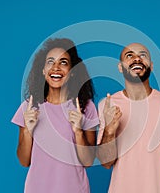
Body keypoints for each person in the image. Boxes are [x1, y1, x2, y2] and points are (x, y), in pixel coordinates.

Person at [96, 43, 160, 193]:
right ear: (120, 67)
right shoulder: (107, 105)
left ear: (151, 66)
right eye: (129, 56)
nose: (137, 59)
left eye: (142, 55)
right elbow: (106, 163)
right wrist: (109, 130)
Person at [11, 38, 99, 193]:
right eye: (50, 62)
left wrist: (78, 131)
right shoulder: (29, 107)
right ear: (43, 70)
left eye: (63, 62)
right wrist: (27, 130)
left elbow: (88, 161)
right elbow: (24, 161)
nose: (56, 68)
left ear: (72, 72)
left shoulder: (86, 107)